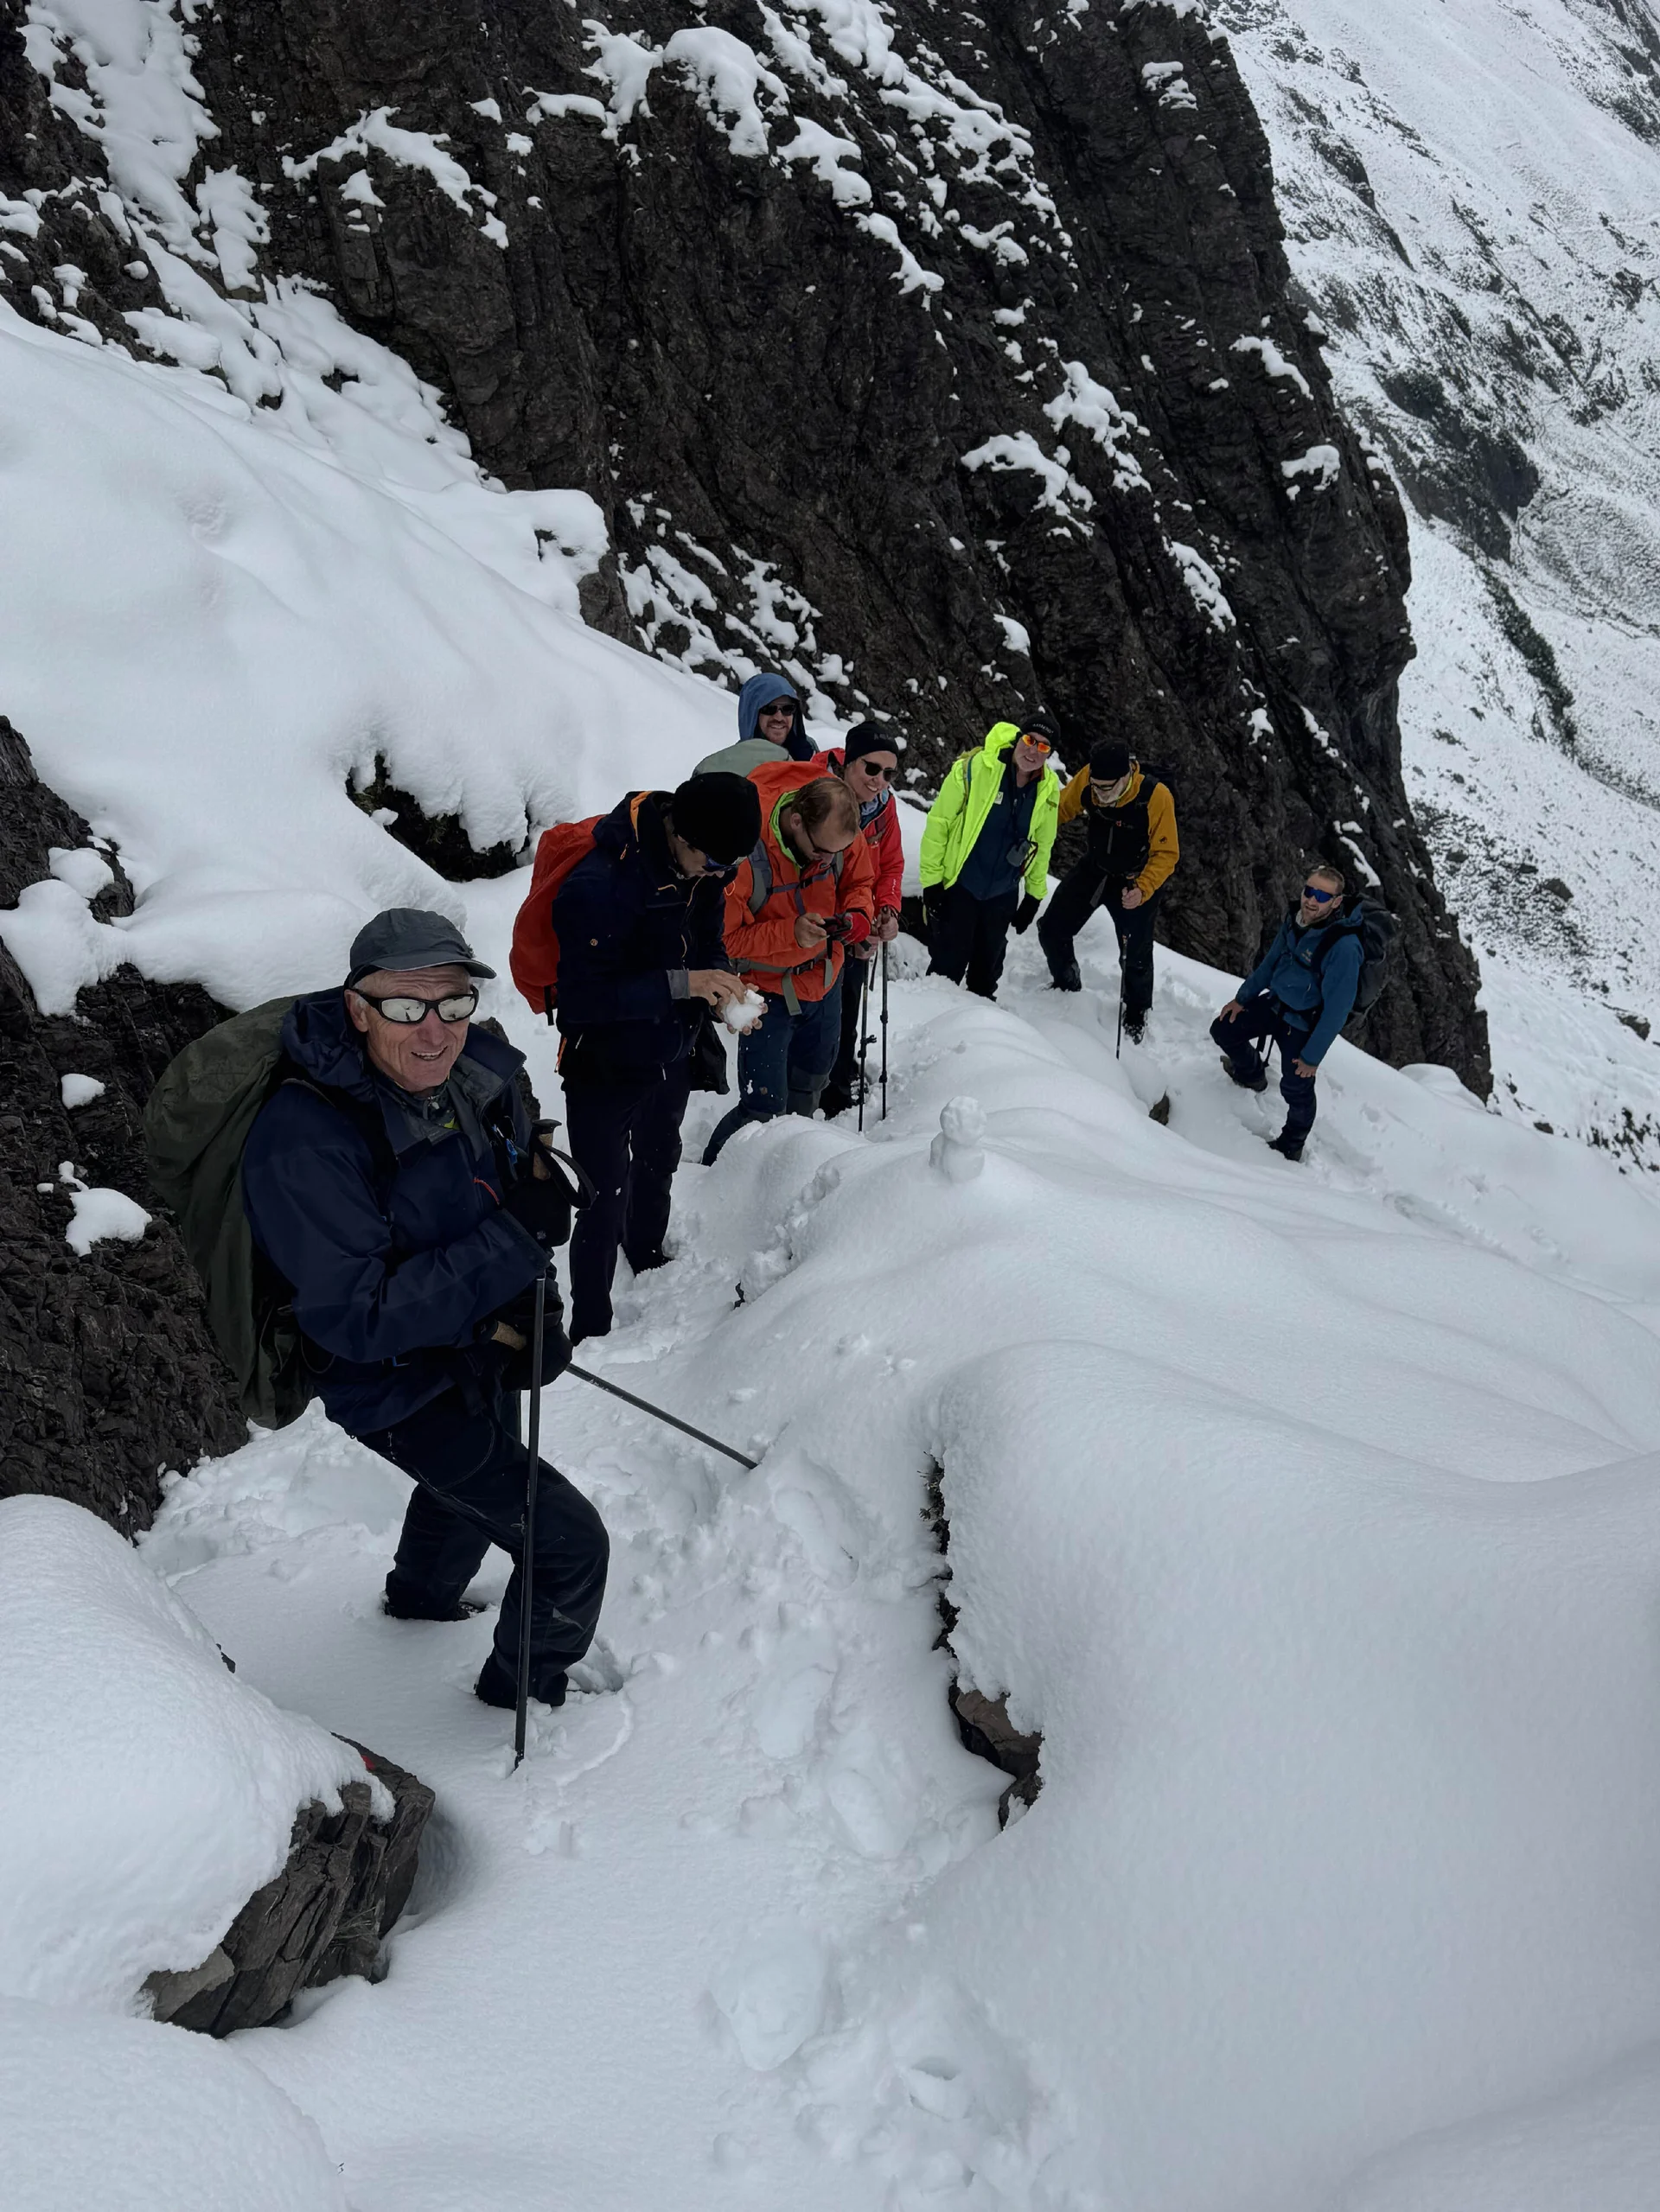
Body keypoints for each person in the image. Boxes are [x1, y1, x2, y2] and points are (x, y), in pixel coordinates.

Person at [241, 908, 609, 1713]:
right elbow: (357, 1317)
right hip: (390, 1383)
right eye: (406, 1006)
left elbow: (502, 1187)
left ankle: (417, 1603)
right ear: (358, 1008)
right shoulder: (305, 1140)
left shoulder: (472, 1070)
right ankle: (519, 1697)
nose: (434, 1030)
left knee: (468, 1489)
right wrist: (514, 1244)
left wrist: (532, 1306)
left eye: (451, 1001)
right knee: (568, 1542)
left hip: (473, 1340)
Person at [552, 774, 760, 1345]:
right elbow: (583, 999)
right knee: (600, 1195)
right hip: (602, 1064)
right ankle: (590, 1328)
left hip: (670, 1046)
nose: (721, 874)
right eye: (713, 860)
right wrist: (684, 982)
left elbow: (709, 936)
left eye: (731, 865)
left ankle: (645, 1252)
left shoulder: (709, 866)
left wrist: (721, 995)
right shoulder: (600, 884)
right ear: (678, 833)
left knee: (660, 1154)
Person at [702, 764, 875, 1162]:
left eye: (836, 852)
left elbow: (859, 882)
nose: (826, 860)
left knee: (809, 1088)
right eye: (819, 851)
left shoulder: (837, 835)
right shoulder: (744, 852)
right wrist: (789, 934)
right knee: (761, 1108)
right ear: (795, 819)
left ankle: (786, 1171)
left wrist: (857, 916)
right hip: (767, 999)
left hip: (825, 985)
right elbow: (724, 943)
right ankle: (711, 1178)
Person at [1211, 863, 1363, 1161]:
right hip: (1276, 1003)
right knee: (1224, 1029)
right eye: (1309, 891)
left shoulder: (1344, 947)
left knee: (1297, 1087)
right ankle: (1251, 1073)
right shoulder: (1295, 919)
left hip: (1303, 1023)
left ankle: (1292, 1143)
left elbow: (1337, 1010)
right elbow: (1269, 964)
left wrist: (1312, 1057)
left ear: (1336, 902)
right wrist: (1242, 999)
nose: (1311, 900)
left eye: (1321, 896)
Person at [1039, 739, 1178, 1044]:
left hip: (1136, 879)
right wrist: (1030, 825)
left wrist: (1142, 889)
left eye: (1107, 788)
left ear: (1127, 776)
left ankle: (1137, 1012)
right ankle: (1067, 984)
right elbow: (1062, 808)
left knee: (1135, 956)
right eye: (1096, 787)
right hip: (1096, 869)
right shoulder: (1090, 780)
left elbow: (1167, 853)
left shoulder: (1155, 797)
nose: (1099, 794)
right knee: (1051, 929)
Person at [918, 721, 1062, 1000]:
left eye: (1043, 746)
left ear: (1049, 754)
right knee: (946, 971)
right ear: (1019, 738)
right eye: (1030, 740)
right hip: (962, 886)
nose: (1033, 751)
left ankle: (979, 1038)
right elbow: (939, 825)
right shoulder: (975, 769)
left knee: (984, 979)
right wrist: (932, 881)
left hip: (1002, 895)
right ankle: (931, 1029)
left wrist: (1033, 897)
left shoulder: (1047, 790)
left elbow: (1042, 845)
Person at [815, 722, 904, 1119]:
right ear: (849, 761)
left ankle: (834, 1089)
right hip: (814, 921)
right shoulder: (815, 788)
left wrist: (887, 910)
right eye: (871, 769)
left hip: (857, 926)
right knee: (810, 1008)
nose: (879, 781)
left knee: (847, 1007)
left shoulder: (884, 807)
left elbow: (891, 865)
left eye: (889, 774)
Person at [695, 672, 817, 776]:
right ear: (752, 714)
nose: (779, 717)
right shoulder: (732, 766)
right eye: (769, 709)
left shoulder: (811, 753)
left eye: (787, 709)